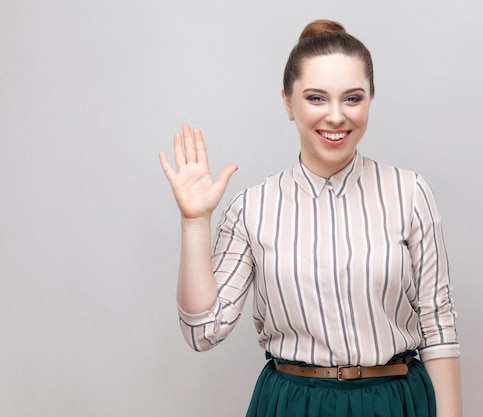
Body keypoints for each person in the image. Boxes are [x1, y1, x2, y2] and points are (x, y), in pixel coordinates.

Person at [159, 19, 462, 417]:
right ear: (288, 102)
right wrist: (195, 223)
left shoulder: (409, 193)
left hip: (394, 402)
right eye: (316, 98)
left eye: (352, 98)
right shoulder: (253, 207)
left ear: (370, 99)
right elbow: (203, 333)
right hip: (292, 404)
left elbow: (438, 329)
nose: (336, 117)